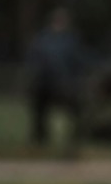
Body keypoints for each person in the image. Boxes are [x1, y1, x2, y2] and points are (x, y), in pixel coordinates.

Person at [25, 9, 88, 150]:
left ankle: (76, 137)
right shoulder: (42, 40)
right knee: (38, 102)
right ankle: (39, 137)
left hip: (65, 86)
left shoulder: (71, 41)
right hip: (45, 87)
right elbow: (35, 64)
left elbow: (79, 64)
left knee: (79, 105)